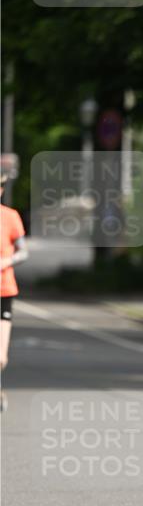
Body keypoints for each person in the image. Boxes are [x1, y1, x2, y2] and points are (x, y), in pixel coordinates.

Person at [1, 174, 29, 412]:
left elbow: (23, 251)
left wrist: (6, 261)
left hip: (4, 290)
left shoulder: (11, 217)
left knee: (0, 358)